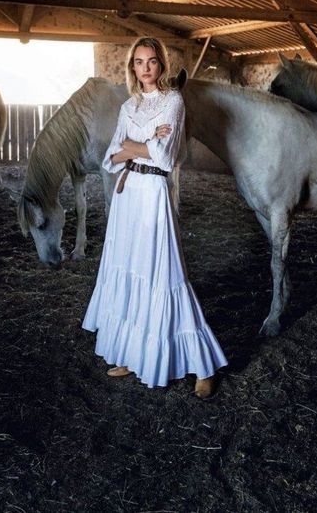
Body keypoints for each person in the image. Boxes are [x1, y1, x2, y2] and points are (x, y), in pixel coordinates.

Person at [82, 37, 227, 398]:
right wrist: (145, 139)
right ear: (132, 67)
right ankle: (135, 354)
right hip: (127, 196)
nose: (145, 68)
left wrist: (133, 146)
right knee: (132, 271)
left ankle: (204, 366)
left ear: (160, 65)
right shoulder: (128, 107)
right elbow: (109, 157)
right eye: (139, 62)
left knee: (165, 275)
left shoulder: (173, 101)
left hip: (154, 194)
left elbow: (164, 159)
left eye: (152, 61)